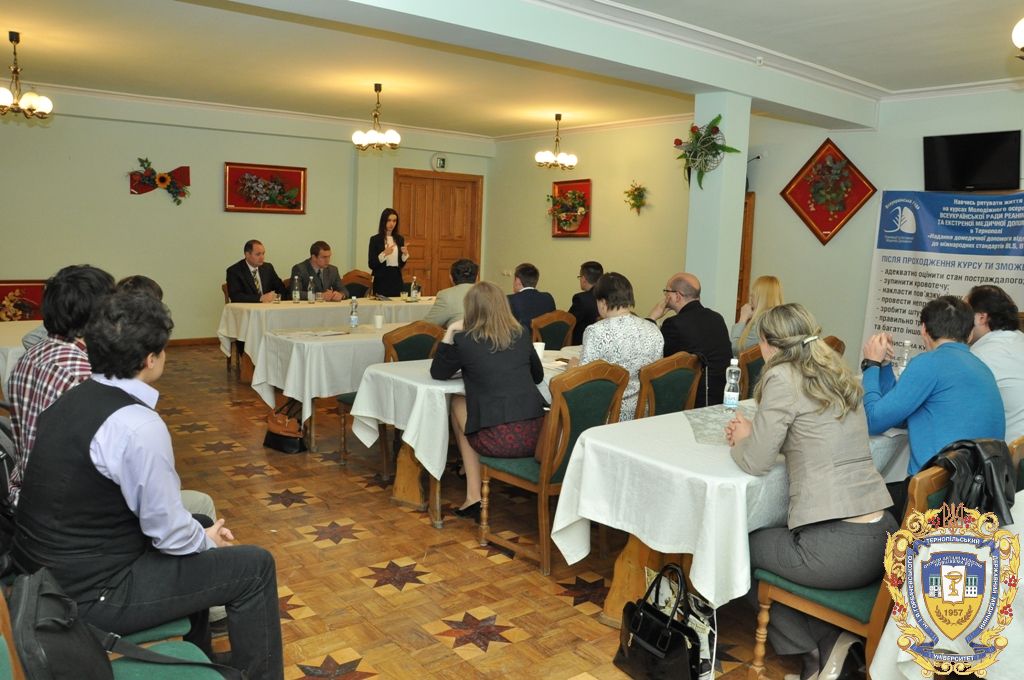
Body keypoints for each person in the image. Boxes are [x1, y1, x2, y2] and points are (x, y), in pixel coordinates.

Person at [12, 291, 283, 680]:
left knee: (199, 521)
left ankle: (200, 656)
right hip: (90, 595)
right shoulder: (137, 425)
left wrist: (200, 535)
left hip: (44, 576)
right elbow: (168, 535)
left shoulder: (73, 399)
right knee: (255, 567)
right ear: (150, 359)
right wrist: (206, 541)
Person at [726, 303, 896, 680]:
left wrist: (742, 439)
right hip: (882, 533)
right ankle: (832, 640)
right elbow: (813, 435)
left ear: (767, 343)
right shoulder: (835, 370)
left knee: (735, 548)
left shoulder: (781, 375)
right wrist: (758, 434)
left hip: (838, 548)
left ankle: (814, 651)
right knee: (771, 542)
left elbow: (755, 462)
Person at [430, 282, 546, 520]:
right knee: (467, 408)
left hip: (500, 440)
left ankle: (473, 495)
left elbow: (438, 373)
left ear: (471, 309)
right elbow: (537, 376)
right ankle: (469, 479)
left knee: (457, 403)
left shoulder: (466, 340)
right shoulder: (521, 334)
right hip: (538, 437)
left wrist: (450, 330)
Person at [862, 295, 1004, 477]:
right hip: (978, 486)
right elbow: (898, 416)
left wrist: (871, 364)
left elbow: (872, 422)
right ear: (970, 335)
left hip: (940, 489)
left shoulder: (929, 363)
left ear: (923, 329)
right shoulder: (981, 367)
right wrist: (884, 366)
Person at [8, 265, 115, 502]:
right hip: (66, 505)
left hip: (25, 493)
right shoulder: (84, 374)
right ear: (98, 315)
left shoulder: (30, 356)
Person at [572, 273, 663, 420]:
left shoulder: (596, 331)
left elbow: (585, 382)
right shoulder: (653, 329)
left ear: (602, 302)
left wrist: (572, 368)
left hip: (608, 413)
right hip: (644, 412)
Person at [645, 272, 732, 407]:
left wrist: (652, 318)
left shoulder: (674, 324)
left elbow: (651, 356)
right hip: (722, 395)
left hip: (693, 401)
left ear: (677, 296)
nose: (665, 296)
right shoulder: (717, 318)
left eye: (667, 292)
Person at [966, 284, 1024, 443]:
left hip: (1008, 452)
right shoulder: (1019, 338)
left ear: (981, 318)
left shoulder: (979, 355)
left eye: (965, 314)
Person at [732, 275, 783, 355]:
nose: (750, 298)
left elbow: (735, 349)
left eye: (753, 295)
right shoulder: (781, 319)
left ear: (761, 297)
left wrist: (743, 318)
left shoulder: (761, 324)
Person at [423, 258, 478, 328]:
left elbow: (427, 325)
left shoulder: (446, 296)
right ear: (477, 277)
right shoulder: (490, 292)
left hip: (460, 335)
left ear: (451, 277)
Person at [367, 208, 409, 297]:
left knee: (397, 304)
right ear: (383, 221)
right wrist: (384, 253)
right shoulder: (375, 239)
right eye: (389, 220)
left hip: (396, 279)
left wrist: (405, 255)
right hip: (381, 280)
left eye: (394, 221)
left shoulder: (400, 239)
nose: (392, 224)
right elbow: (371, 264)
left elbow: (400, 265)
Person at [507, 262, 555, 331]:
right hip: (546, 338)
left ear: (518, 281)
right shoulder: (548, 298)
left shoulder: (509, 300)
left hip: (522, 337)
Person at [568, 260, 603, 345]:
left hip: (582, 345)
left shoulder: (581, 299)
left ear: (583, 279)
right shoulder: (608, 296)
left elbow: (567, 323)